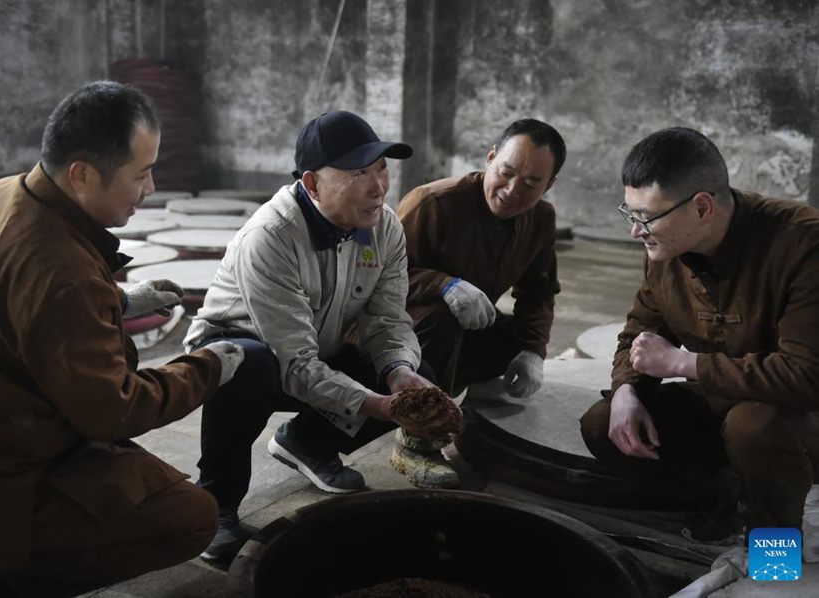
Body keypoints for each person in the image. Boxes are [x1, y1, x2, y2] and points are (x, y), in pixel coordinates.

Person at [0, 81, 245, 598]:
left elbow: (20, 306)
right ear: (82, 175)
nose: (151, 188)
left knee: (134, 474)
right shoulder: (63, 273)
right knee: (190, 516)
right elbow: (113, 410)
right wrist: (207, 368)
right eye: (141, 174)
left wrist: (116, 301)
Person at [184, 110, 445, 561]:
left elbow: (387, 321)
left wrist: (398, 374)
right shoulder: (271, 237)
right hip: (242, 353)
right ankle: (215, 506)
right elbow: (294, 363)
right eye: (359, 173)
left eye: (381, 168)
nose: (378, 186)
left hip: (316, 351)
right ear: (312, 183)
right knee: (247, 365)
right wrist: (378, 406)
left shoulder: (384, 228)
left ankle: (306, 442)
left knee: (416, 371)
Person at [579, 127, 819, 542]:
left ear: (703, 207)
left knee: (753, 426)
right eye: (630, 214)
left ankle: (775, 558)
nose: (635, 231)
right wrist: (625, 390)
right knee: (605, 424)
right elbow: (639, 330)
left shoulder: (803, 244)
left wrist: (682, 364)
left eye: (646, 218)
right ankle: (724, 496)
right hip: (723, 400)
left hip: (797, 415)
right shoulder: (664, 249)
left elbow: (805, 375)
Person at [394, 119, 564, 487]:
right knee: (440, 319)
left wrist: (533, 351)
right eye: (505, 172)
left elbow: (538, 291)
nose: (512, 190)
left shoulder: (541, 219)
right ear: (490, 159)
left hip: (458, 330)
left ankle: (450, 396)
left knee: (513, 337)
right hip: (394, 332)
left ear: (548, 186)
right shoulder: (434, 203)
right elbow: (377, 278)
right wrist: (442, 284)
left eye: (532, 184)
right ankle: (415, 442)